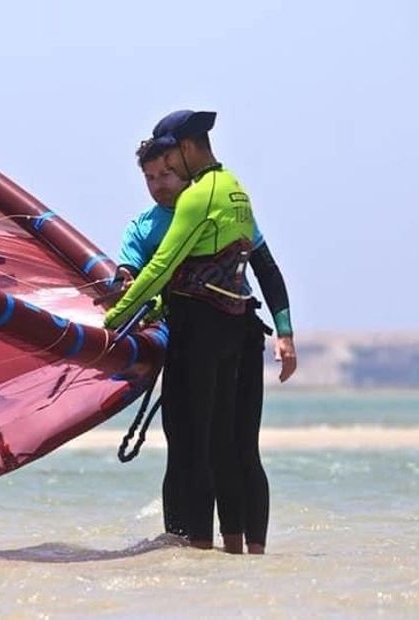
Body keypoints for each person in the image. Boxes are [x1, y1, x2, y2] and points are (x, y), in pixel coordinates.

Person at [112, 141, 296, 553]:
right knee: (184, 449)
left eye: (166, 174)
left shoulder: (224, 209)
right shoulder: (142, 227)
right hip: (187, 341)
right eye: (150, 178)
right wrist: (124, 284)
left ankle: (250, 557)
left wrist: (284, 332)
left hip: (237, 335)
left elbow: (266, 269)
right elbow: (130, 273)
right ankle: (185, 554)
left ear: (184, 171)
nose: (159, 185)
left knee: (239, 448)